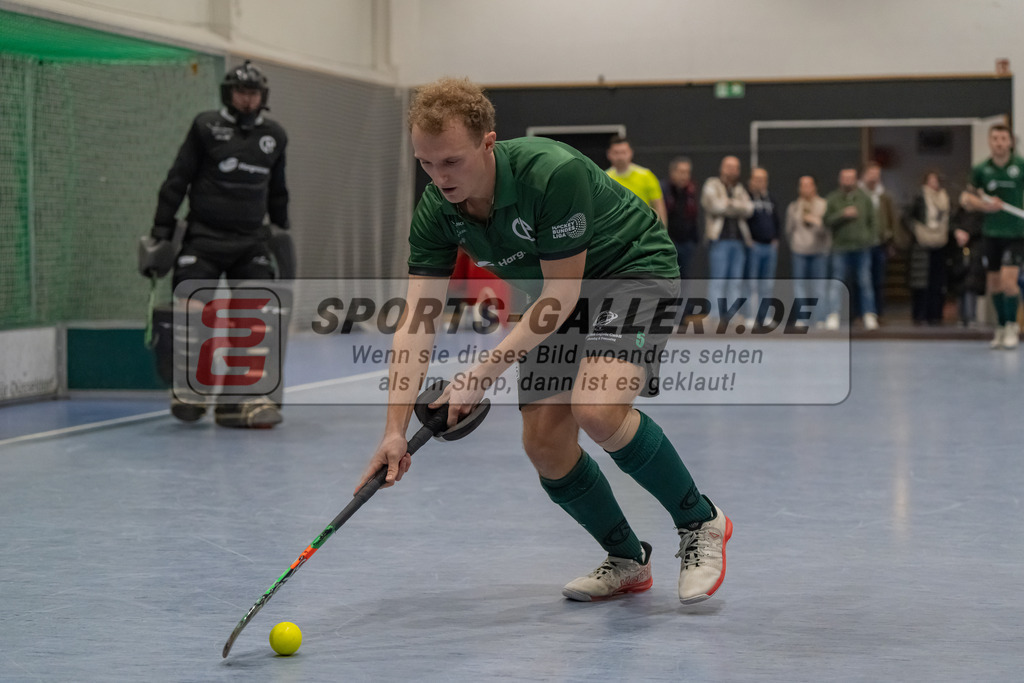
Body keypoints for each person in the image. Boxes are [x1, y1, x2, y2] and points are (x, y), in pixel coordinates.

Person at [357, 77, 731, 604]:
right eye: (426, 163)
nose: (439, 178)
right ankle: (628, 559)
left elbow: (561, 294)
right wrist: (393, 431)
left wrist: (478, 375)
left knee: (597, 408)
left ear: (489, 142)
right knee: (545, 445)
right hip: (557, 295)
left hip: (629, 270)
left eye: (452, 162)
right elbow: (416, 321)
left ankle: (700, 522)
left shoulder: (551, 172)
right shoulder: (437, 211)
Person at [148, 61, 291, 427]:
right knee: (193, 311)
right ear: (229, 94)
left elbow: (278, 192)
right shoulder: (205, 127)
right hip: (204, 238)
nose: (247, 100)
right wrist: (160, 234)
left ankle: (240, 401)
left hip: (250, 242)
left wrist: (282, 234)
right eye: (241, 93)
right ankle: (190, 390)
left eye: (254, 93)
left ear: (263, 97)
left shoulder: (275, 136)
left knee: (256, 319)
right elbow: (177, 180)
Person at [960, 123, 1024, 349]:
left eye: (1003, 139)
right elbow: (966, 199)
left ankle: (1011, 327)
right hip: (991, 234)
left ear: (1010, 142)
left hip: (1016, 233)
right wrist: (985, 205)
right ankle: (1000, 326)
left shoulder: (1021, 166)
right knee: (994, 284)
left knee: (1009, 281)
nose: (999, 143)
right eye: (995, 139)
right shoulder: (981, 170)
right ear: (990, 142)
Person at [824, 168, 879, 330]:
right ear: (840, 179)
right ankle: (833, 314)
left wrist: (869, 239)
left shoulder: (864, 198)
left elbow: (873, 221)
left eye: (851, 178)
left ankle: (869, 314)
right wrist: (842, 214)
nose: (848, 181)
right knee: (837, 282)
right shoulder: (833, 199)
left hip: (862, 247)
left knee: (865, 281)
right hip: (840, 247)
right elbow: (826, 221)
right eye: (845, 178)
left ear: (856, 180)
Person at [701, 156, 754, 325]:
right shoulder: (711, 184)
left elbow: (749, 209)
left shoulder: (739, 188)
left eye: (735, 167)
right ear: (721, 168)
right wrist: (735, 206)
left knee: (736, 281)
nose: (732, 170)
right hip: (719, 240)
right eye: (728, 167)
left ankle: (733, 316)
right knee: (718, 279)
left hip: (738, 241)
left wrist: (729, 204)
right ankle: (715, 316)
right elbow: (715, 206)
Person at [784, 175, 830, 327]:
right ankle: (802, 318)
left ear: (814, 187)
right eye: (802, 185)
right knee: (799, 286)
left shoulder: (823, 205)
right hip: (799, 251)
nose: (805, 188)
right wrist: (795, 244)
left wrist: (816, 222)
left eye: (808, 185)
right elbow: (788, 230)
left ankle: (820, 319)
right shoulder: (794, 207)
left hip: (819, 251)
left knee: (819, 287)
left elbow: (828, 230)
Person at [906, 171, 950, 325]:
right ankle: (920, 314)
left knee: (937, 282)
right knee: (921, 282)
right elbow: (906, 217)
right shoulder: (919, 197)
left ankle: (936, 314)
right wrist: (917, 231)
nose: (934, 183)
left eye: (936, 180)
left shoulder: (945, 198)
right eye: (931, 180)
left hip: (940, 242)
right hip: (922, 243)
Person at [858, 162, 899, 320]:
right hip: (861, 244)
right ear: (864, 175)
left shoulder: (885, 196)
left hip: (879, 243)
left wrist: (891, 241)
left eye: (877, 174)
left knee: (878, 279)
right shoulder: (858, 195)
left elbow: (892, 219)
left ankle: (877, 313)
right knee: (862, 280)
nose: (874, 178)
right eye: (871, 174)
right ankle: (862, 313)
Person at [744, 167, 781, 325]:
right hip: (754, 246)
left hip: (769, 247)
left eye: (763, 179)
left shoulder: (771, 198)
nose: (760, 183)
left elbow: (777, 220)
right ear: (751, 181)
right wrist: (748, 240)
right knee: (751, 284)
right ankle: (750, 316)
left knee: (767, 284)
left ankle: (764, 316)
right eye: (757, 179)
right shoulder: (746, 197)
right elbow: (742, 220)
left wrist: (776, 239)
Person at [605, 135, 668, 226]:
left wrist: (663, 232)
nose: (620, 157)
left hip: (643, 230)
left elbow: (658, 205)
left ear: (631, 153)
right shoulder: (605, 178)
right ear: (609, 154)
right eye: (616, 153)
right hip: (615, 231)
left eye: (623, 152)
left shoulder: (646, 175)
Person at [660, 157, 701, 279]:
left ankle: (683, 299)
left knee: (685, 278)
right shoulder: (663, 189)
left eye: (687, 172)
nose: (685, 176)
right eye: (681, 172)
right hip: (669, 242)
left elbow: (693, 217)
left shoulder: (690, 191)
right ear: (672, 172)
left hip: (686, 243)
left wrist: (693, 239)